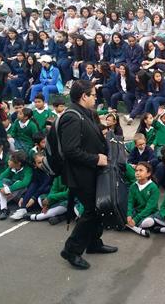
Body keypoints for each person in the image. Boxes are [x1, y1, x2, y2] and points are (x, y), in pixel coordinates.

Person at [59, 80, 116, 270]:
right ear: (84, 96)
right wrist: (95, 159)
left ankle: (93, 243)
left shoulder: (88, 113)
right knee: (91, 211)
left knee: (98, 208)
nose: (96, 97)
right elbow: (70, 150)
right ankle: (72, 250)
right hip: (81, 174)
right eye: (93, 94)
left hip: (92, 172)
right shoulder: (72, 117)